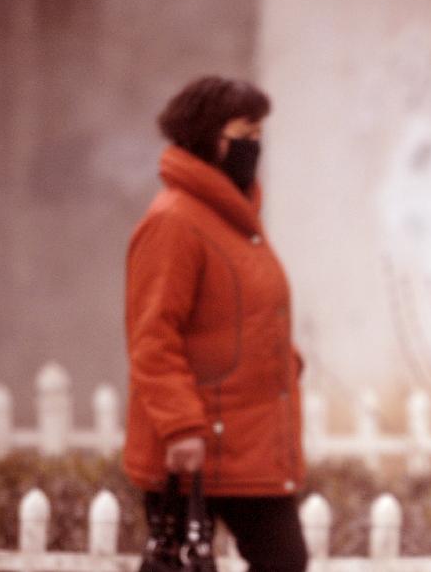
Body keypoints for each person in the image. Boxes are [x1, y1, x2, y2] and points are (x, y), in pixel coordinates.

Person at [123, 76, 308, 572]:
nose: (255, 146)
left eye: (259, 133)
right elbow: (153, 337)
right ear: (208, 136)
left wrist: (284, 364)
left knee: (285, 562)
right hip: (194, 446)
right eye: (245, 132)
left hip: (247, 442)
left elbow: (243, 317)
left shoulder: (234, 221)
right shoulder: (175, 222)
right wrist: (181, 427)